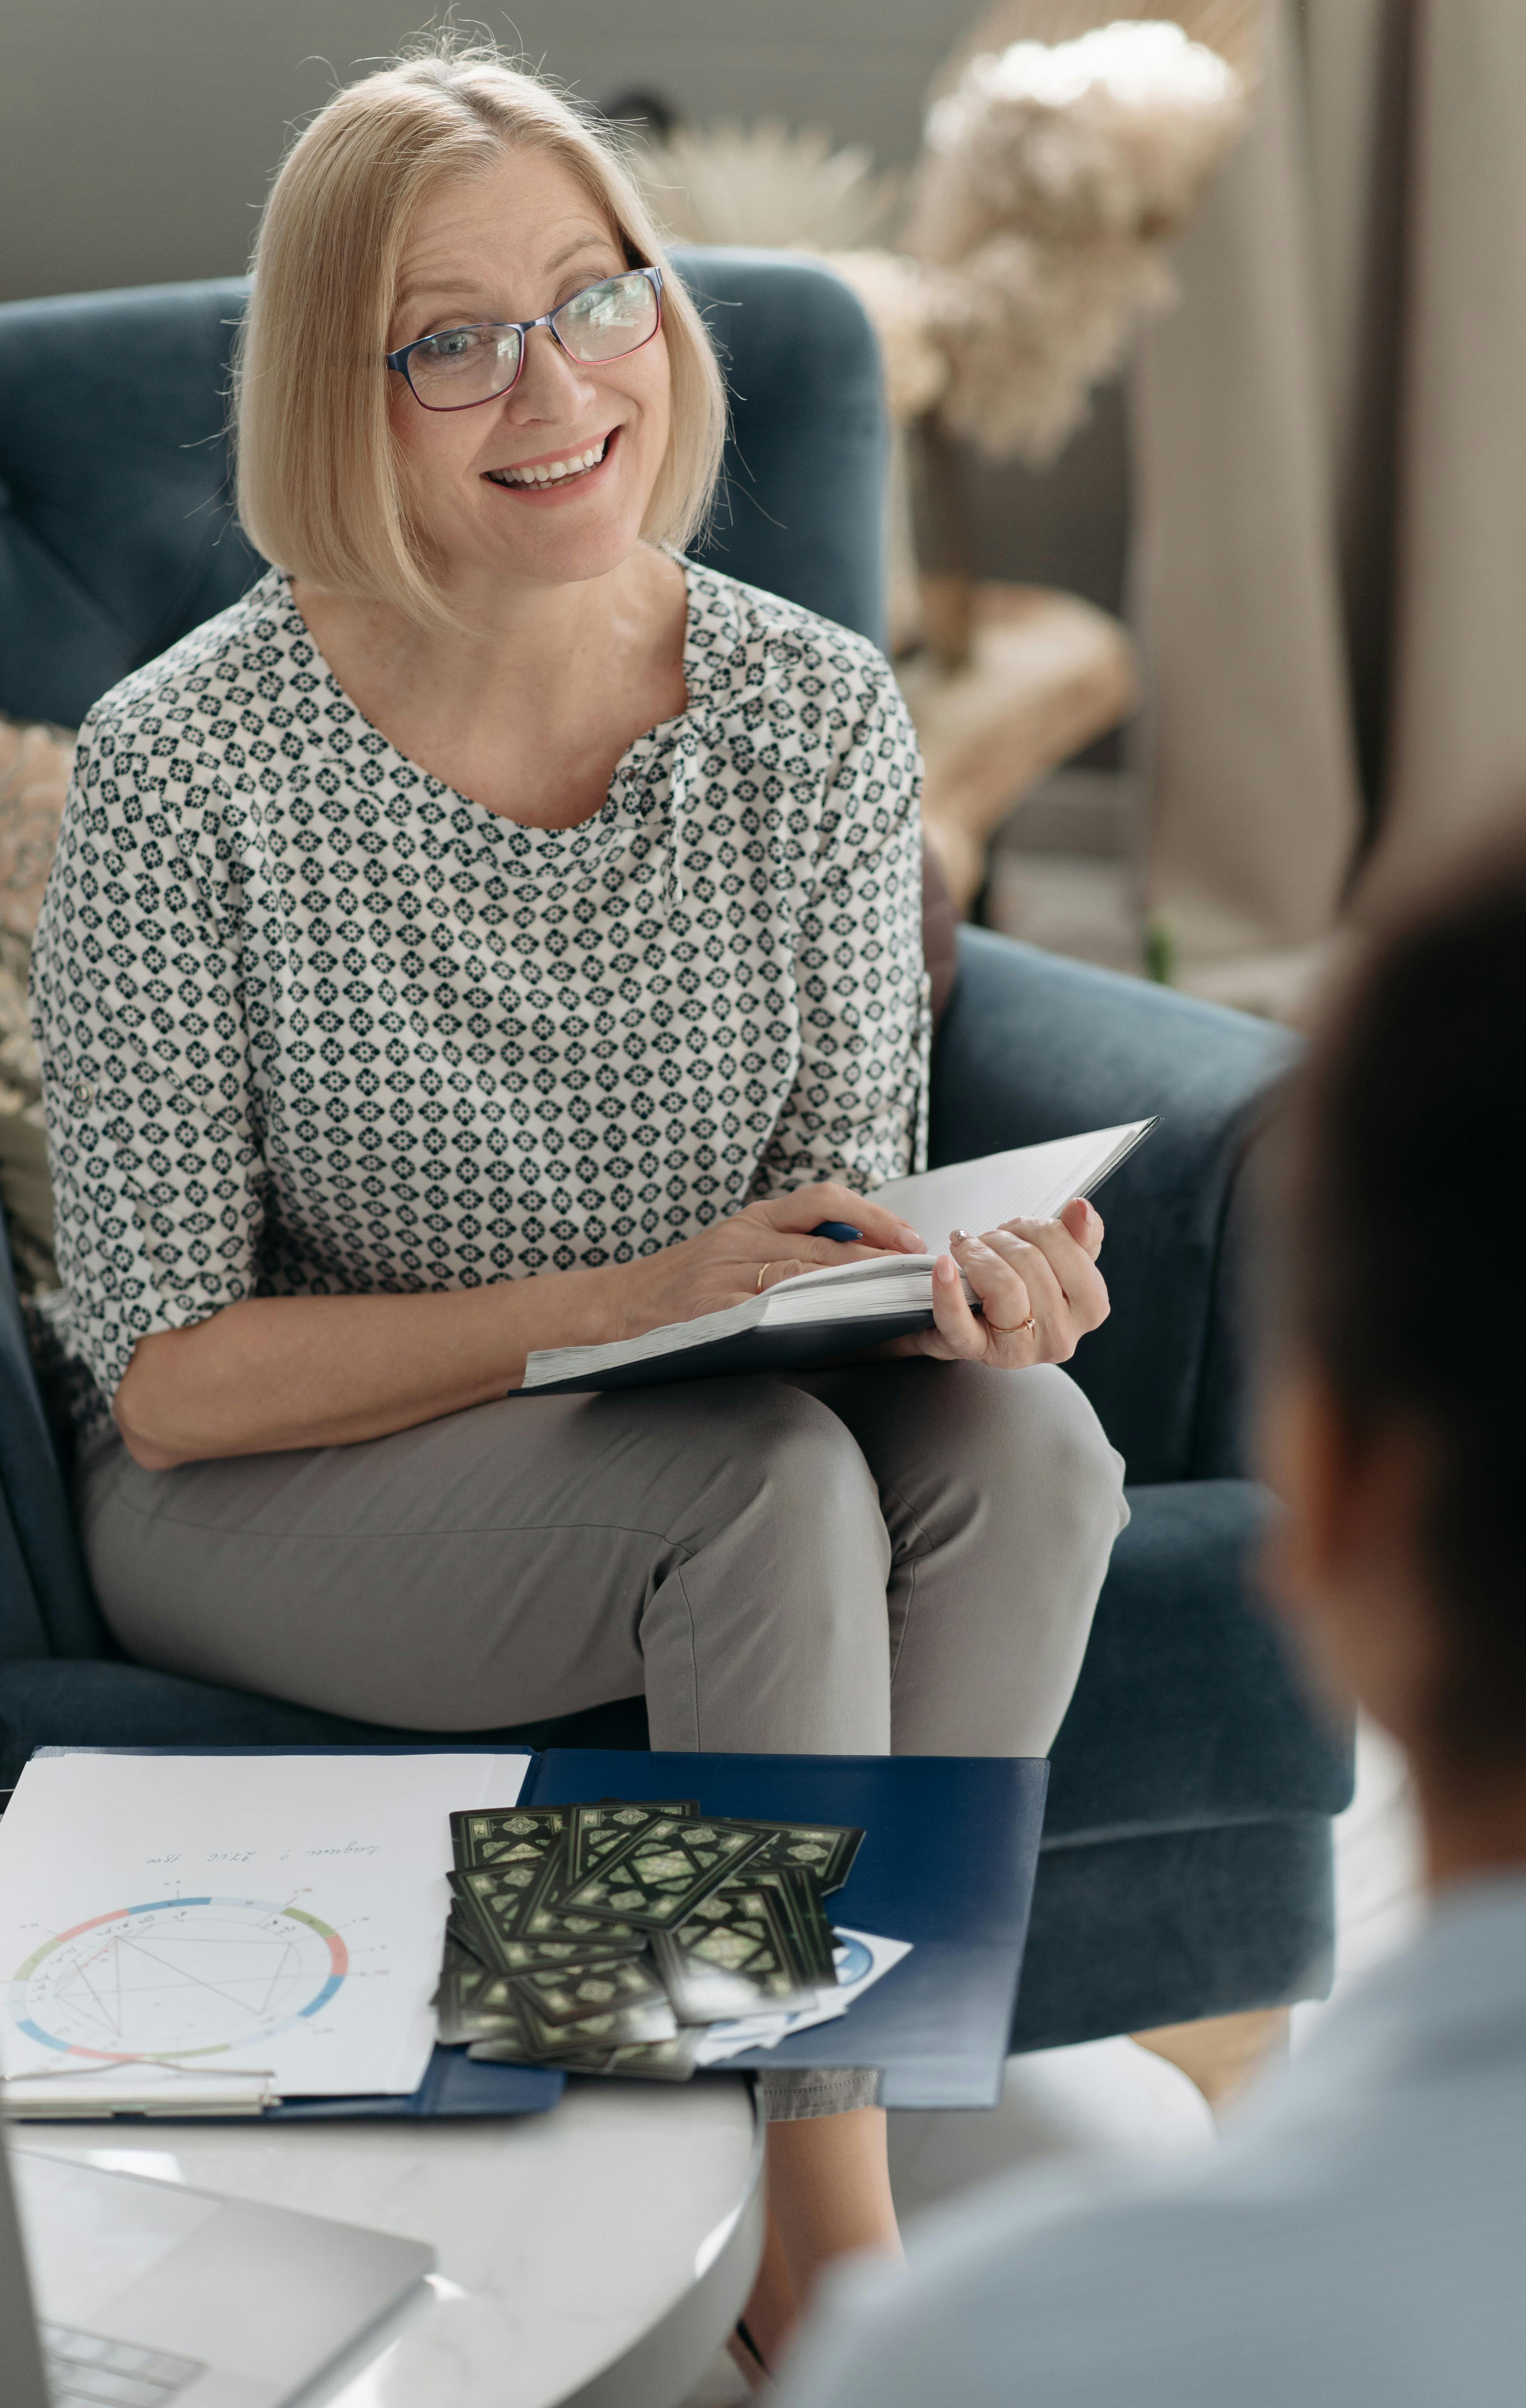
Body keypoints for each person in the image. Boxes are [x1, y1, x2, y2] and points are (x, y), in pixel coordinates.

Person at [29, 40, 1130, 2363]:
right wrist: (633, 1299)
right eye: (449, 340)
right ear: (343, 394)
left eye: (593, 299)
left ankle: (714, 2081)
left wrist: (970, 1285)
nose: (554, 388)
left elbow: (835, 1211)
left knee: (1027, 1456)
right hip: (273, 1485)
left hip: (687, 1408)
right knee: (744, 1507)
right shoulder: (177, 768)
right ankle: (826, 2250)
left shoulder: (811, 712)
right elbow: (172, 1379)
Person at [775, 804, 1526, 2407]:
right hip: (453, 1508)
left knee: (1002, 1450)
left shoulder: (996, 2359)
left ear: (1330, 1506)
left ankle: (815, 2187)